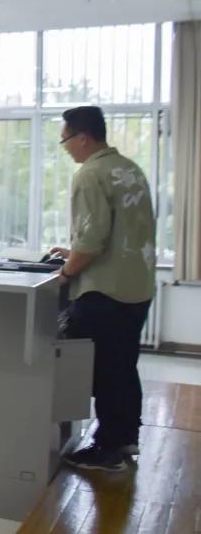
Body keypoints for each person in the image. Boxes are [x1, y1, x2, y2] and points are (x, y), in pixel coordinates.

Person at [49, 106, 156, 472]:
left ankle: (106, 450)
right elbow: (121, 231)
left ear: (82, 138)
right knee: (124, 365)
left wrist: (67, 271)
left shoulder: (90, 174)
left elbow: (92, 240)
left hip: (104, 292)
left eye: (65, 139)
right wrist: (76, 252)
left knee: (104, 371)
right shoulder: (130, 169)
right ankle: (126, 437)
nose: (65, 147)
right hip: (137, 285)